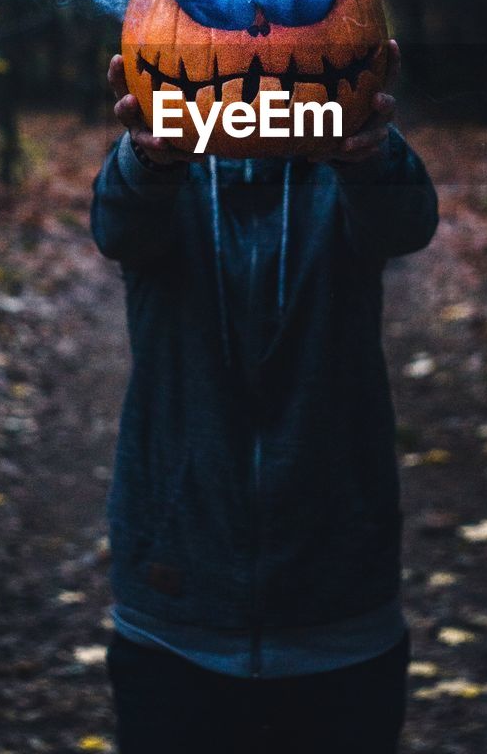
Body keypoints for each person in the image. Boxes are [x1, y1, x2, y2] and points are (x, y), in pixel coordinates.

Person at [91, 40, 438, 754]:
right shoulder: (165, 171)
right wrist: (147, 157)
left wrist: (369, 150)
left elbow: (406, 222)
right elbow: (119, 225)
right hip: (177, 604)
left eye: (280, 25)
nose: (254, 50)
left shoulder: (342, 170)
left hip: (339, 599)